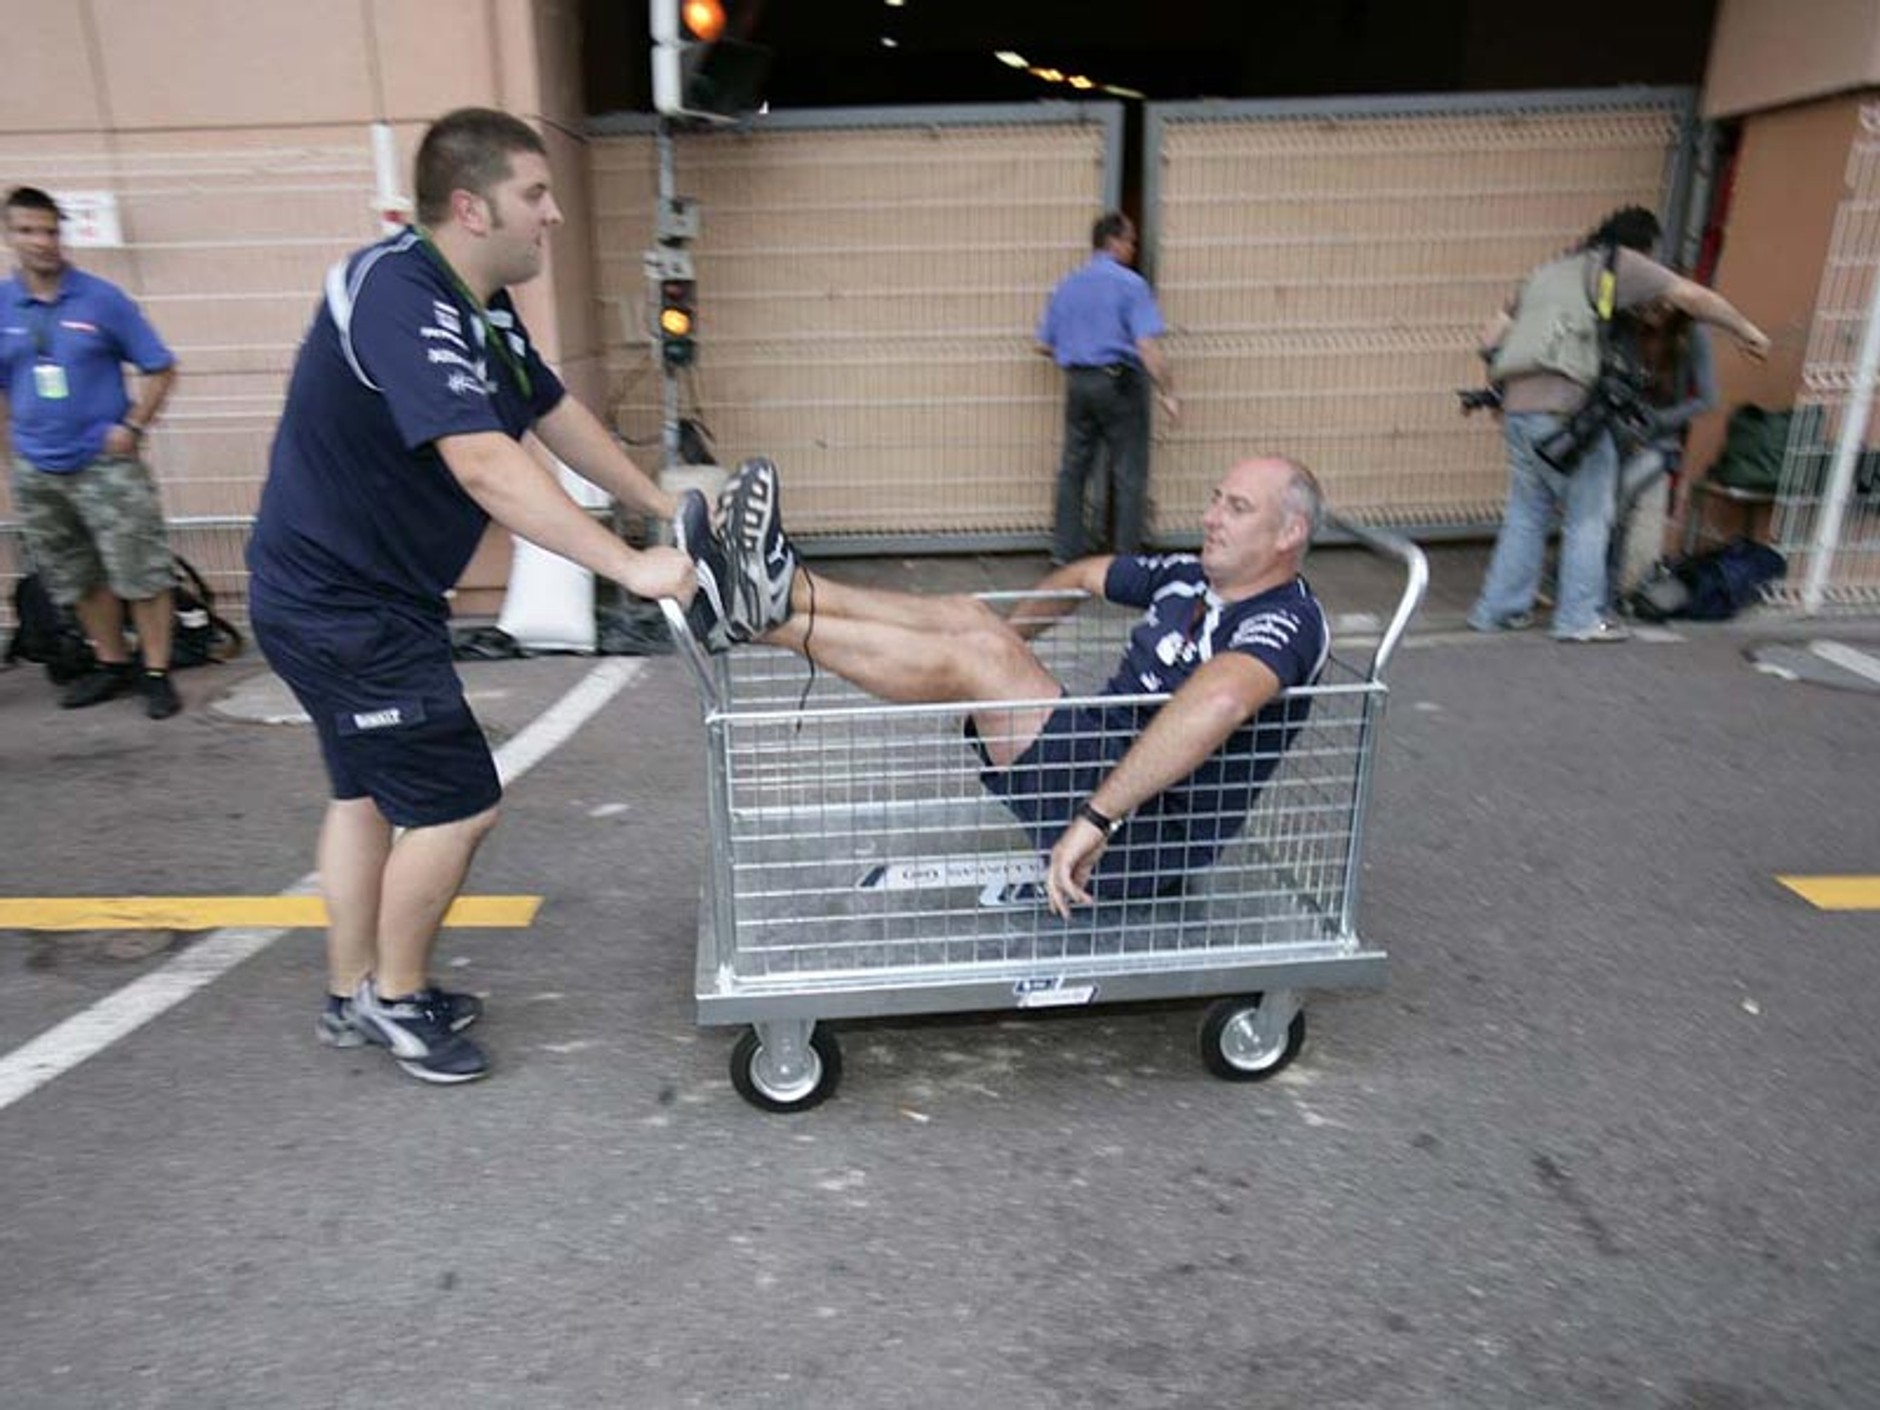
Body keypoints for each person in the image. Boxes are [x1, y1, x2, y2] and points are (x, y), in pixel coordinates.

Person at [246, 108, 697, 1085]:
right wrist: (628, 567)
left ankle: (351, 992)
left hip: (350, 596)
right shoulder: (402, 296)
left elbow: (549, 415)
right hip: (344, 607)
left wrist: (658, 505)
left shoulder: (475, 302)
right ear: (469, 203)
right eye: (535, 195)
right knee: (456, 804)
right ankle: (398, 1003)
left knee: (365, 792)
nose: (552, 216)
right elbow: (487, 464)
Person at [679, 453, 1327, 918]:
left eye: (1236, 508)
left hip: (1139, 831)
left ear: (1289, 533)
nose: (1212, 516)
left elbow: (1221, 698)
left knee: (984, 654)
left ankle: (763, 618)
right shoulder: (1187, 574)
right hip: (1096, 761)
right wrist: (1002, 648)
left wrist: (1099, 816)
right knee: (972, 621)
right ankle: (784, 589)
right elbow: (1080, 575)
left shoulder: (1288, 620)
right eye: (1216, 498)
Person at [1467, 206, 1768, 643]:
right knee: (1589, 514)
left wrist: (1501, 394)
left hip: (1519, 409)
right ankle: (1579, 618)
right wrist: (1746, 330)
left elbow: (1489, 338)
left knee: (1526, 513)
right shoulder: (1621, 264)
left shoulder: (1548, 272)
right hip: (1569, 412)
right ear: (1642, 245)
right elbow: (1694, 298)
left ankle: (1496, 611)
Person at [1, 185, 182, 717]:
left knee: (141, 570)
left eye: (51, 230)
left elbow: (160, 367)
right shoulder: (4, 306)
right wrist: (11, 453)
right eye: (28, 231)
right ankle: (112, 663)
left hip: (106, 465)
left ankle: (156, 671)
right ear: (10, 237)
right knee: (76, 574)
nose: (42, 242)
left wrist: (132, 425)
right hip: (38, 466)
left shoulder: (102, 300)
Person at [1036, 211, 1180, 565]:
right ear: (1113, 241)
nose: (1133, 248)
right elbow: (1147, 346)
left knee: (1074, 468)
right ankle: (1126, 557)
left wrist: (1078, 352)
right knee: (1129, 470)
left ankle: (1064, 552)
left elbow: (1042, 343)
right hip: (1120, 382)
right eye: (1131, 240)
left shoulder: (1067, 285)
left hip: (1079, 383)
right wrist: (1168, 392)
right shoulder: (1130, 285)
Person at [1610, 299, 1716, 606]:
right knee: (1611, 509)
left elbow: (1708, 399)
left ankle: (1628, 590)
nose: (1652, 310)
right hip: (1620, 435)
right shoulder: (1628, 329)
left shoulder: (1692, 335)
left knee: (1631, 505)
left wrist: (1660, 420)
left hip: (1660, 441)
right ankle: (1606, 585)